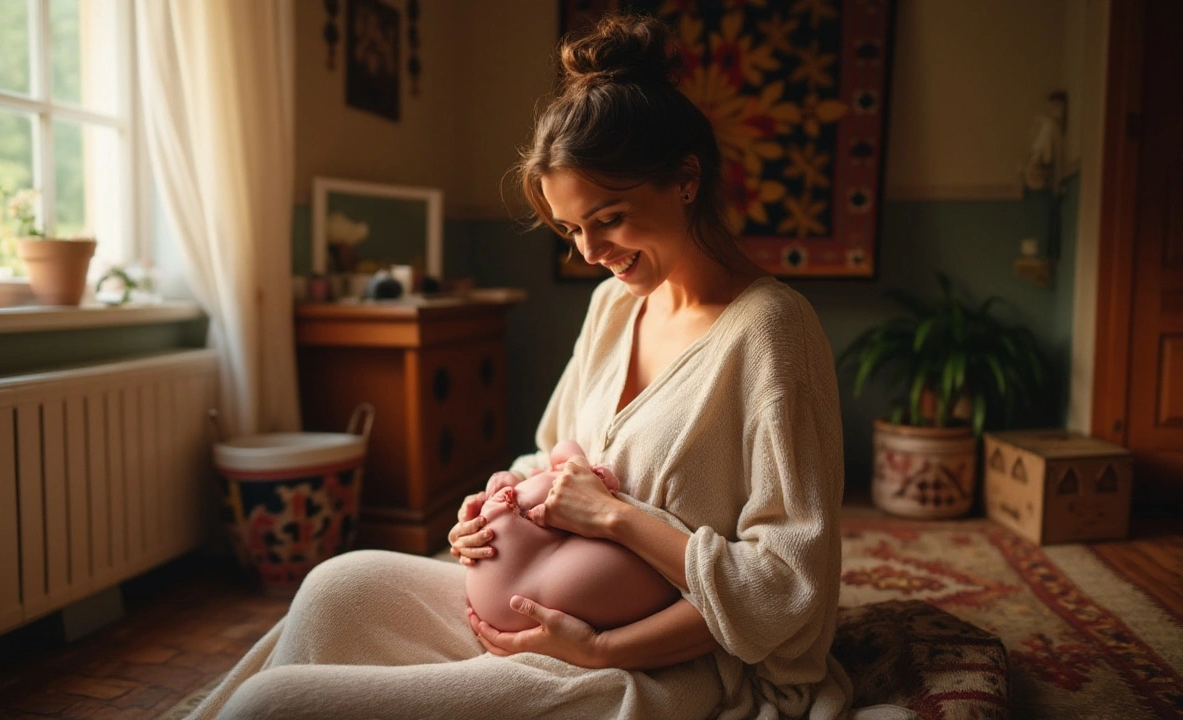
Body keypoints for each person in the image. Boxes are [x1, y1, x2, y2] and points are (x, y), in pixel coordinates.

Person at [188, 12, 873, 720]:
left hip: (669, 663)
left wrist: (605, 603)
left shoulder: (771, 332)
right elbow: (548, 455)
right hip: (543, 620)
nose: (589, 251)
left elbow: (789, 589)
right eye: (573, 228)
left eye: (607, 217)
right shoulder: (614, 306)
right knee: (338, 586)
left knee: (268, 707)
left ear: (686, 180)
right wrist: (491, 507)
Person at [465, 439, 679, 633]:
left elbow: (563, 450)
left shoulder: (565, 486)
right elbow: (554, 447)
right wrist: (512, 478)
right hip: (519, 621)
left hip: (658, 598)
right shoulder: (550, 480)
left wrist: (599, 649)